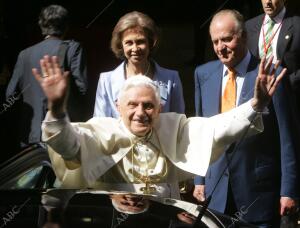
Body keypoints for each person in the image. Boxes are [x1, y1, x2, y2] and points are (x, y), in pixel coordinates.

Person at [33, 54, 284, 200]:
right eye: (132, 105)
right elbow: (67, 146)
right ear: (118, 107)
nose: (140, 113)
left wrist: (255, 103)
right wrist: (56, 108)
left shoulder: (172, 128)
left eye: (148, 106)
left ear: (160, 108)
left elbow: (219, 128)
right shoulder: (101, 130)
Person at [192, 9, 298, 227]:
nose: (221, 48)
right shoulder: (203, 74)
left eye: (227, 39)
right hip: (215, 194)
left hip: (258, 194)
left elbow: (288, 137)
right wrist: (199, 179)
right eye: (215, 42)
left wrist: (289, 190)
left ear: (244, 37)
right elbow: (200, 131)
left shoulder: (269, 73)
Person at [5, 5, 87, 148]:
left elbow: (11, 95)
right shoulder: (73, 48)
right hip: (62, 132)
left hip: (31, 135)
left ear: (41, 25)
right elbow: (82, 89)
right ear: (66, 26)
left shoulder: (24, 55)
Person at [93, 11, 185, 118]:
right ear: (120, 45)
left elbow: (179, 122)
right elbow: (100, 124)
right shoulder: (106, 81)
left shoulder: (171, 79)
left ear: (150, 43)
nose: (135, 49)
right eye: (129, 43)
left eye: (140, 42)